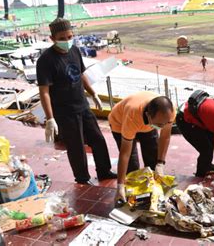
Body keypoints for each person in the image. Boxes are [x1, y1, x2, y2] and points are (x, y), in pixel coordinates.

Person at [37, 18, 116, 185]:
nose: (67, 41)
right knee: (76, 146)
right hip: (65, 111)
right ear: (52, 38)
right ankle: (82, 178)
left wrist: (93, 94)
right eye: (62, 38)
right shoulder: (46, 60)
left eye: (69, 36)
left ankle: (104, 171)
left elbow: (81, 75)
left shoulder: (74, 51)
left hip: (82, 105)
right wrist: (50, 118)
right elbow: (44, 92)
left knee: (98, 139)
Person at [108, 91, 176, 203]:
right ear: (148, 116)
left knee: (153, 160)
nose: (163, 127)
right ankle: (129, 196)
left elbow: (165, 137)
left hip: (147, 125)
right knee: (132, 165)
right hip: (120, 123)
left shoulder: (168, 112)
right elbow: (125, 153)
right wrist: (120, 184)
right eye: (160, 125)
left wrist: (160, 163)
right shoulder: (132, 115)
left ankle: (153, 194)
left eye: (166, 123)